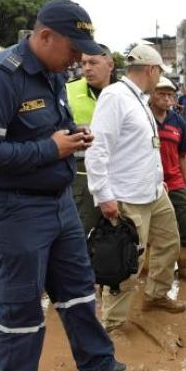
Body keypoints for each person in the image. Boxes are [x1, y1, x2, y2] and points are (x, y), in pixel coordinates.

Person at [0, 0, 144, 371]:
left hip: (57, 204)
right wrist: (50, 148)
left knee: (78, 289)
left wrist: (70, 135)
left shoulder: (52, 73)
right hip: (12, 210)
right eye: (73, 49)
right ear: (44, 37)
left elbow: (43, 131)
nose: (79, 59)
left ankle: (97, 363)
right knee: (22, 302)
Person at [86, 44, 186, 332]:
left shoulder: (140, 100)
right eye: (159, 73)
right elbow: (98, 149)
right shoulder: (115, 97)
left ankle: (155, 295)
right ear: (152, 69)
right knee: (126, 259)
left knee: (169, 243)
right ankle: (113, 325)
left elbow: (142, 147)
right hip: (127, 197)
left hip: (154, 192)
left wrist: (158, 180)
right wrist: (104, 195)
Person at [150, 76, 186, 283]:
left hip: (175, 181)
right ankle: (143, 270)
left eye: (169, 94)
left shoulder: (177, 121)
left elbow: (183, 155)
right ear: (151, 95)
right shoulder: (143, 117)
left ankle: (184, 267)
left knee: (185, 222)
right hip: (149, 182)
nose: (166, 98)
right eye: (161, 93)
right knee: (145, 229)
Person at [65, 44, 115, 235]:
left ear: (110, 64)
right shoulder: (68, 91)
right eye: (84, 63)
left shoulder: (124, 94)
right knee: (83, 233)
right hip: (82, 175)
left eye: (93, 62)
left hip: (118, 172)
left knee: (120, 238)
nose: (86, 68)